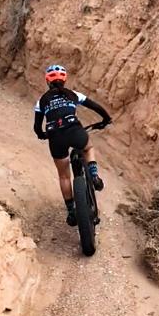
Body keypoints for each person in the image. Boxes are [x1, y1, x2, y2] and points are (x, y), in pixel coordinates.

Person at [33, 64, 112, 226]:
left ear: (48, 82)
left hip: (56, 137)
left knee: (64, 175)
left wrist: (42, 135)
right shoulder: (73, 94)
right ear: (64, 80)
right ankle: (94, 175)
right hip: (74, 131)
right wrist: (106, 120)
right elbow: (96, 107)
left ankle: (71, 212)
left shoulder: (41, 101)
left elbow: (37, 127)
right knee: (88, 147)